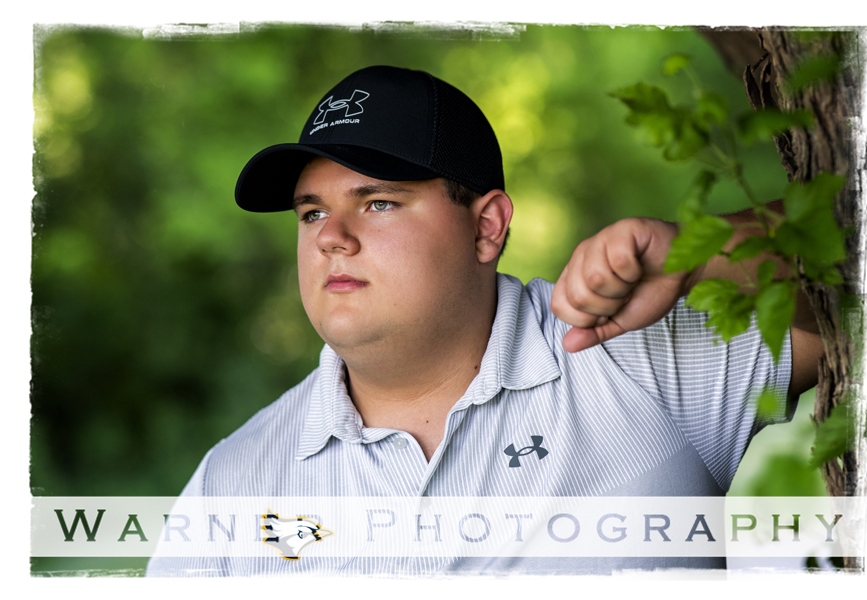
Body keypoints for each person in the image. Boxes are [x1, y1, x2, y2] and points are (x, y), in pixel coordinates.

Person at [146, 65, 822, 577]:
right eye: (312, 212)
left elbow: (859, 285)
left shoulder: (630, 354)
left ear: (487, 226)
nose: (331, 237)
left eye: (378, 203)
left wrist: (699, 251)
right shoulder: (231, 487)